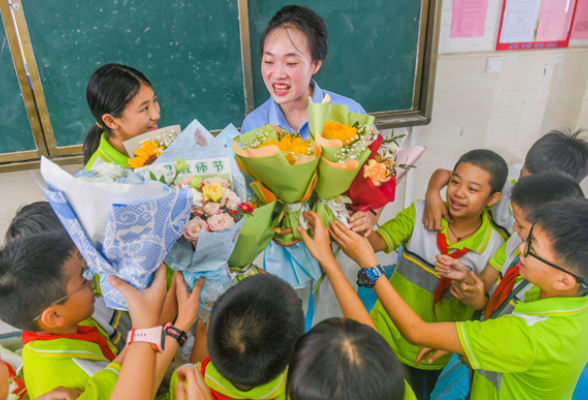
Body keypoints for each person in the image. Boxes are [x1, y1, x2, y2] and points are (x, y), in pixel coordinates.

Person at [319, 197, 588, 400]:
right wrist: (465, 342)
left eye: (532, 247)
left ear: (564, 280)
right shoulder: (572, 303)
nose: (519, 248)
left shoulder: (530, 335)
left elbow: (416, 332)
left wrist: (368, 263)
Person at [240, 4, 382, 326]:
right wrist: (269, 226)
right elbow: (252, 193)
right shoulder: (254, 124)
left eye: (291, 62)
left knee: (335, 320)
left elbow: (378, 172)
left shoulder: (347, 112)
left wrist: (371, 214)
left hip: (339, 237)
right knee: (283, 318)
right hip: (283, 246)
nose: (277, 74)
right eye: (268, 60)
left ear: (315, 63)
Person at [337, 149, 506, 399]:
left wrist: (471, 292)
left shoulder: (496, 244)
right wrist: (361, 223)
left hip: (427, 352)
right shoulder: (420, 213)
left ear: (492, 199)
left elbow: (484, 303)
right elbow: (374, 244)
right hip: (381, 332)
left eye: (473, 189)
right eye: (455, 182)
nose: (459, 192)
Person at [0, 232, 202, 399]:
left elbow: (128, 357)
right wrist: (180, 327)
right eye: (83, 279)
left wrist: (168, 305)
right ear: (53, 316)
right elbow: (140, 387)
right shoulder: (76, 371)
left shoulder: (54, 329)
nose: (92, 279)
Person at [435, 171, 584, 316]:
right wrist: (467, 279)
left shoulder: (551, 281)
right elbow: (486, 282)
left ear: (545, 228)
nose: (514, 229)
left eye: (520, 224)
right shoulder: (517, 241)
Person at [5, 201, 131, 353]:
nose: (89, 255)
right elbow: (125, 360)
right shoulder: (80, 311)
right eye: (80, 254)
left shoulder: (82, 280)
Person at [423, 127, 588, 236]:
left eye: (530, 187)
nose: (520, 189)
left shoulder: (557, 232)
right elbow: (445, 174)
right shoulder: (504, 190)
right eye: (522, 177)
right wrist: (432, 193)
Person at [170, 274, 305, 400]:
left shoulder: (184, 384)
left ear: (210, 323)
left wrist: (201, 334)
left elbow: (193, 374)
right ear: (294, 352)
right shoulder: (293, 390)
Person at [83, 63, 160, 170]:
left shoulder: (157, 145)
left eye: (154, 100)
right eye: (144, 108)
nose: (156, 115)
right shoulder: (99, 177)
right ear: (111, 121)